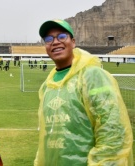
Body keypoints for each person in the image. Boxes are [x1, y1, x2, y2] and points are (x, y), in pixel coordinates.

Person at [34, 19, 133, 166]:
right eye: (49, 39)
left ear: (73, 42)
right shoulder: (47, 86)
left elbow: (113, 132)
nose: (55, 42)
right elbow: (45, 138)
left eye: (61, 36)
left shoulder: (92, 76)